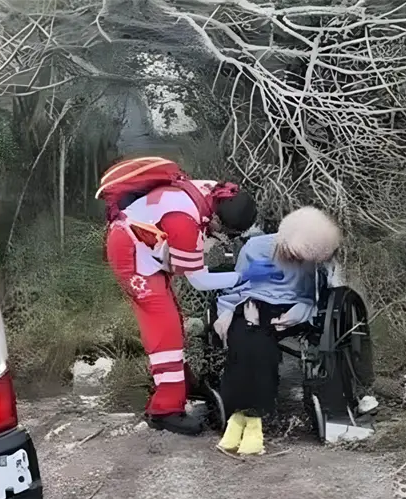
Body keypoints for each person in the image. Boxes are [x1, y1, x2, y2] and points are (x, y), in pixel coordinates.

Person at [98, 156, 282, 436]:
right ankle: (164, 410)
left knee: (171, 315)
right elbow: (199, 281)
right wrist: (243, 276)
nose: (223, 238)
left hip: (142, 245)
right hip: (131, 254)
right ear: (218, 219)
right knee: (165, 327)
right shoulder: (185, 222)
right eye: (225, 233)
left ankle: (181, 383)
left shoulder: (209, 192)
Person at [212, 206, 343, 455]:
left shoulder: (309, 257)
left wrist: (299, 312)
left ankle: (241, 420)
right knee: (249, 339)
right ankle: (253, 418)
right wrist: (229, 312)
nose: (295, 261)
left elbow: (309, 298)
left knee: (256, 338)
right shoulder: (255, 248)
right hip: (251, 301)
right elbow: (237, 287)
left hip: (289, 310)